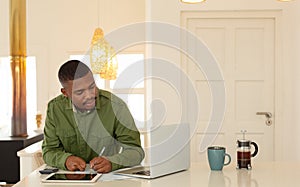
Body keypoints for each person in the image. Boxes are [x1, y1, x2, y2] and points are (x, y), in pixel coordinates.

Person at [42, 59, 144, 173]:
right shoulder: (54, 109)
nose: (90, 95)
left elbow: (136, 151)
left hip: (108, 179)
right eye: (80, 92)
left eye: (92, 87)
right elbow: (49, 151)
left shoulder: (116, 106)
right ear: (65, 93)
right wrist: (66, 160)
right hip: (69, 180)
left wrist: (113, 162)